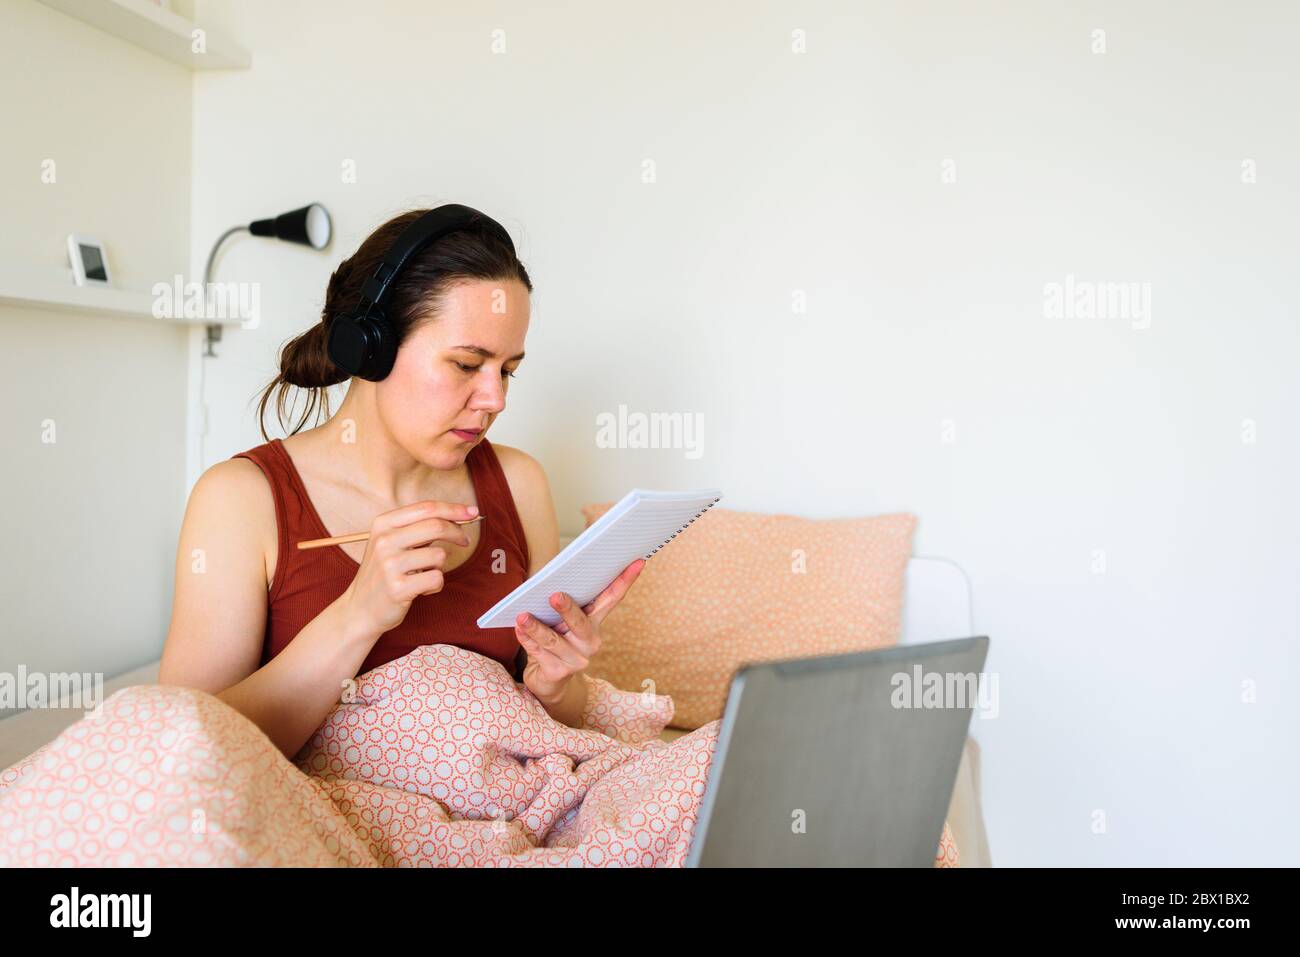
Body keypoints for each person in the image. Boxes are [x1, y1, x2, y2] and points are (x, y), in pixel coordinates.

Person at [158, 207, 644, 759]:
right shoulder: (239, 499)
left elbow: (560, 720)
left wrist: (556, 686)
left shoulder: (518, 482)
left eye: (507, 371)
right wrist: (357, 613)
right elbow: (183, 753)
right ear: (372, 348)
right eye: (466, 365)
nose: (496, 400)